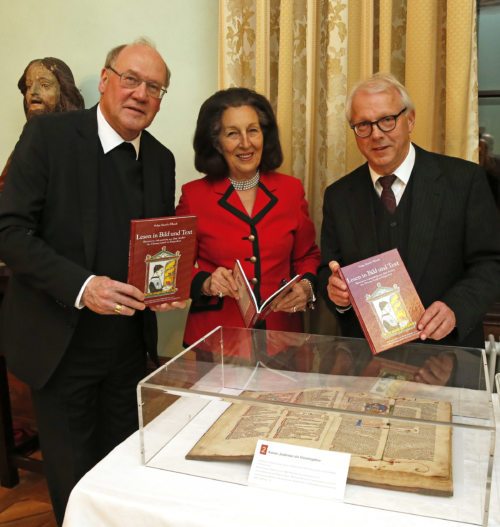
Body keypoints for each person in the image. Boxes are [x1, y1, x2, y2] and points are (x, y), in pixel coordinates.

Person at [0, 38, 184, 525]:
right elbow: (10, 232)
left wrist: (165, 286)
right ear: (105, 81)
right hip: (59, 348)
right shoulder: (48, 138)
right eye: (131, 79)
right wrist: (85, 287)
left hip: (127, 351)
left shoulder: (162, 159)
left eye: (154, 87)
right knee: (75, 483)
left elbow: (153, 247)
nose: (141, 94)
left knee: (121, 475)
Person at [318, 72, 500, 350]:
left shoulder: (464, 181)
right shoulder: (338, 196)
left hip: (450, 355)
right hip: (367, 364)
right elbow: (328, 271)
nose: (376, 134)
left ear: (410, 119)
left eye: (387, 120)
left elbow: (490, 263)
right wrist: (337, 296)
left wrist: (456, 308)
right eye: (363, 125)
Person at [176, 87, 320, 347]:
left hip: (284, 341)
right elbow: (176, 267)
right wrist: (206, 282)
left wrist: (307, 288)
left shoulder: (291, 190)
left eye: (253, 130)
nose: (246, 143)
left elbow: (307, 256)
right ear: (216, 142)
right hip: (214, 341)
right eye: (233, 133)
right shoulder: (194, 196)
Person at [0, 57, 85, 192]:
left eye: (45, 85)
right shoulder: (28, 143)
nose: (33, 91)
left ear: (63, 93)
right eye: (28, 86)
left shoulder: (78, 143)